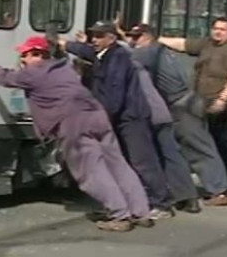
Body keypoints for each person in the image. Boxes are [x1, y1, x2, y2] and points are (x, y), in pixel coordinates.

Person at [0, 35, 153, 232]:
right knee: (118, 165)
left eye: (24, 55)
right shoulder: (63, 68)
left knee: (91, 172)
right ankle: (140, 212)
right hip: (98, 117)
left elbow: (5, 76)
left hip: (74, 124)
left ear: (37, 54)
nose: (22, 60)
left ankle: (120, 215)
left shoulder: (34, 73)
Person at [59, 21, 176, 220]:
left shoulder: (118, 59)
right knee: (125, 161)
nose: (94, 40)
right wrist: (64, 44)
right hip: (121, 116)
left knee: (142, 161)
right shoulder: (104, 54)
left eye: (99, 36)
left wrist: (101, 117)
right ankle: (135, 202)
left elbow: (114, 93)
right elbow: (86, 51)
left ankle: (162, 203)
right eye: (93, 35)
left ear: (111, 38)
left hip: (131, 117)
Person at [125, 23, 227, 207]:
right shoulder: (160, 50)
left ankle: (220, 191)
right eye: (130, 37)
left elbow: (125, 58)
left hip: (182, 105)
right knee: (187, 148)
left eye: (136, 37)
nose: (132, 41)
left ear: (148, 36)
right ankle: (212, 189)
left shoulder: (148, 52)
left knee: (198, 148)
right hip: (187, 102)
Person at [157, 17, 227, 193]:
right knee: (217, 140)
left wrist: (223, 100)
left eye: (223, 29)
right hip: (209, 102)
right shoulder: (207, 44)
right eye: (215, 28)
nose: (218, 32)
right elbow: (183, 44)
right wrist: (157, 39)